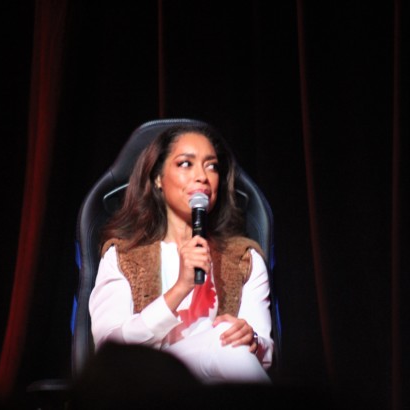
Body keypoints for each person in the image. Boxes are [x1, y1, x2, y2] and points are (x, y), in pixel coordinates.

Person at [88, 123, 273, 385]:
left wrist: (252, 339)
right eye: (186, 164)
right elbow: (110, 348)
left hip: (219, 387)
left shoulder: (244, 258)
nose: (202, 177)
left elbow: (265, 353)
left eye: (212, 166)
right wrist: (180, 288)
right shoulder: (124, 257)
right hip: (145, 386)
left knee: (226, 337)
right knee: (223, 341)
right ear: (158, 179)